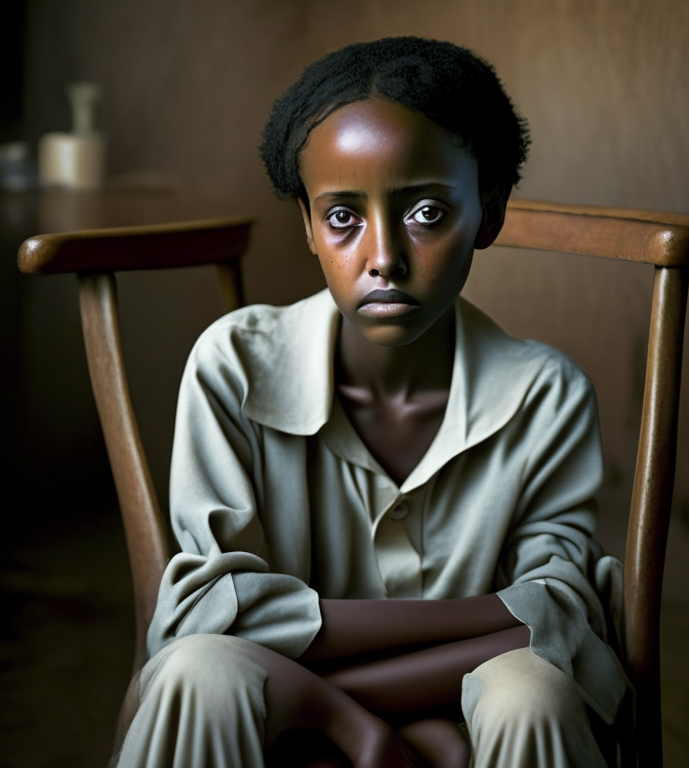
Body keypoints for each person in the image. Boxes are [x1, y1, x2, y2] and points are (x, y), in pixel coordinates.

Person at [115, 37, 628, 768]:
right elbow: (206, 613)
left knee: (533, 693)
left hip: (456, 699)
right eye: (343, 217)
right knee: (201, 669)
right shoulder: (233, 366)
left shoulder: (546, 395)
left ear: (488, 210)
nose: (383, 255)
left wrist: (327, 686)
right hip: (280, 699)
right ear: (308, 226)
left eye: (425, 211)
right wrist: (348, 718)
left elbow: (566, 621)